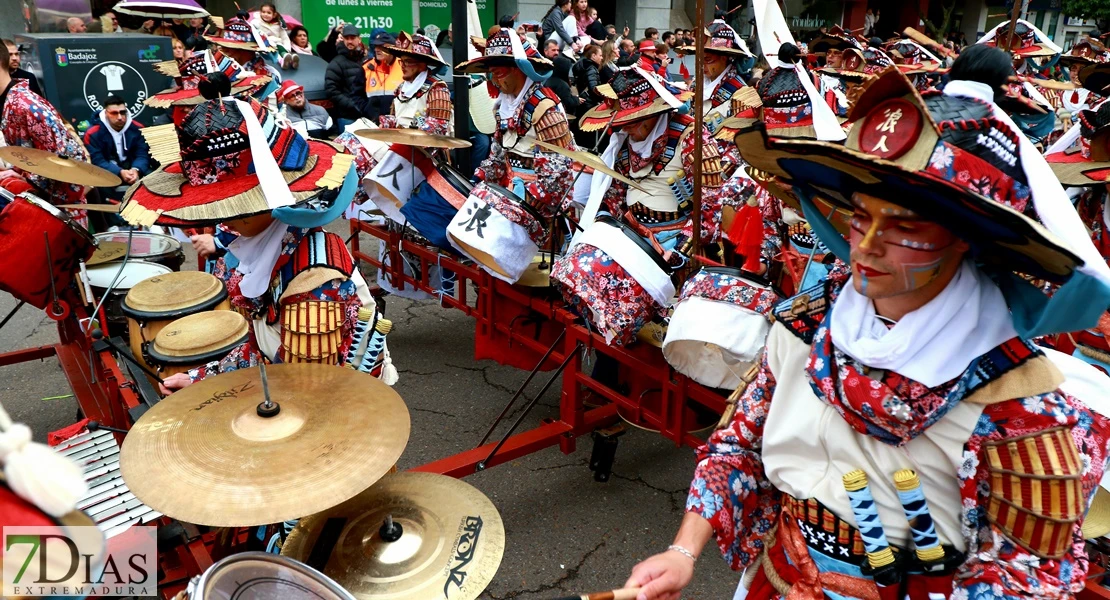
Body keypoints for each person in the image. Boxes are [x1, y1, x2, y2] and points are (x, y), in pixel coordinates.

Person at [623, 49, 1110, 600]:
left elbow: (1024, 580)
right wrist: (682, 552)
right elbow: (739, 443)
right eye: (860, 215)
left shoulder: (1018, 405)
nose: (867, 246)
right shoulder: (811, 321)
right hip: (773, 578)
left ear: (966, 238)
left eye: (904, 227)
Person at [120, 74, 395, 391]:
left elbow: (309, 390)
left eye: (237, 209)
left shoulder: (313, 282)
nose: (225, 221)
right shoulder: (260, 248)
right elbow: (258, 348)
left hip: (338, 407)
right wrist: (199, 377)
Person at [554, 65, 724, 346]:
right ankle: (609, 370)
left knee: (660, 331)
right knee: (588, 290)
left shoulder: (691, 135)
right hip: (632, 238)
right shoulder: (622, 140)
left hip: (676, 243)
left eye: (636, 119)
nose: (629, 126)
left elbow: (711, 201)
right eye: (625, 120)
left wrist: (682, 248)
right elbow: (616, 195)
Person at [456, 28, 577, 279]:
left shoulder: (545, 108)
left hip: (539, 206)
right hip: (510, 193)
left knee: (532, 279)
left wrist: (520, 205)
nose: (495, 80)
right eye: (492, 74)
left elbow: (557, 177)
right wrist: (480, 181)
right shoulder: (503, 106)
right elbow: (499, 156)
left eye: (499, 72)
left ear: (520, 68)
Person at [0, 43, 89, 224]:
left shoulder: (25, 105)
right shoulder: (10, 104)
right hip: (41, 212)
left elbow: (71, 158)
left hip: (62, 218)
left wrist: (27, 178)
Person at [378, 32, 452, 134]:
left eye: (408, 61)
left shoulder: (437, 88)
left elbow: (439, 126)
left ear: (422, 64)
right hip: (402, 142)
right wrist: (387, 123)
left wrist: (411, 133)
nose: (402, 66)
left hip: (425, 148)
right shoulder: (401, 88)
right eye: (401, 61)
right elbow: (398, 118)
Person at [83, 95, 151, 200]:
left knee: (154, 178)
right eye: (114, 113)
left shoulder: (138, 128)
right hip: (107, 171)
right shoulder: (93, 133)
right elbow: (97, 161)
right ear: (106, 113)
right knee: (98, 186)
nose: (119, 117)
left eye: (123, 112)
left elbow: (142, 154)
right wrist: (119, 172)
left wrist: (136, 169)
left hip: (133, 167)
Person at [325, 24, 370, 130]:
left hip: (367, 115)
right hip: (347, 117)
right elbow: (331, 90)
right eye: (346, 38)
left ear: (359, 39)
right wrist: (353, 105)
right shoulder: (336, 62)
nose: (349, 41)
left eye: (352, 38)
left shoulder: (366, 60)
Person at [365, 31, 404, 123]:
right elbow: (356, 95)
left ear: (391, 48)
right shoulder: (367, 67)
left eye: (381, 46)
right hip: (372, 122)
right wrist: (366, 110)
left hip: (397, 123)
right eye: (375, 46)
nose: (377, 49)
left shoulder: (403, 66)